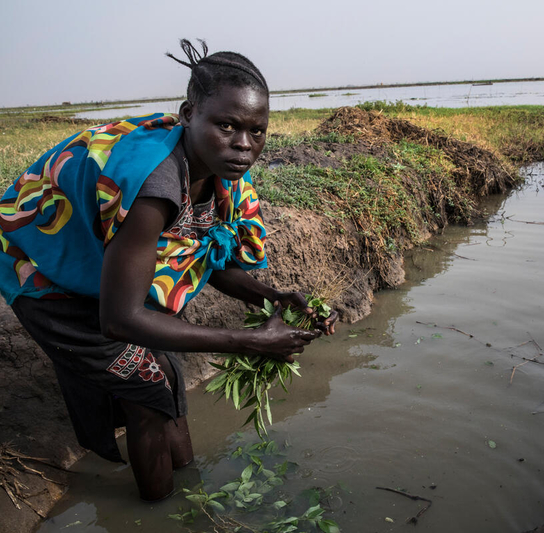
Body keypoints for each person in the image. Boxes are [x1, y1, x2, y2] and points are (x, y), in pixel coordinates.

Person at [0, 39, 338, 502]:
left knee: (165, 375)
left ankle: (188, 496)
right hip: (43, 270)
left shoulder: (220, 172)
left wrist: (271, 297)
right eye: (226, 125)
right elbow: (119, 319)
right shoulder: (154, 185)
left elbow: (205, 256)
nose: (244, 145)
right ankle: (160, 510)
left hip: (104, 274)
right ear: (188, 113)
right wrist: (248, 339)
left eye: (257, 131)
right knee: (146, 392)